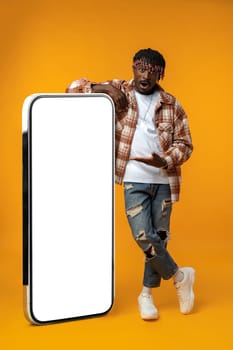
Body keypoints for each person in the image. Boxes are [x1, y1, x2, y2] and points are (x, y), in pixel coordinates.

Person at [66, 48, 195, 320]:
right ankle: (180, 276)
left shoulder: (172, 104)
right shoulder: (120, 91)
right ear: (133, 68)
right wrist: (103, 89)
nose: (145, 75)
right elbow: (72, 89)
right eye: (140, 68)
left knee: (158, 239)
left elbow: (185, 144)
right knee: (143, 236)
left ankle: (145, 296)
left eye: (152, 71)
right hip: (133, 180)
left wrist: (166, 160)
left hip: (163, 182)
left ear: (161, 74)